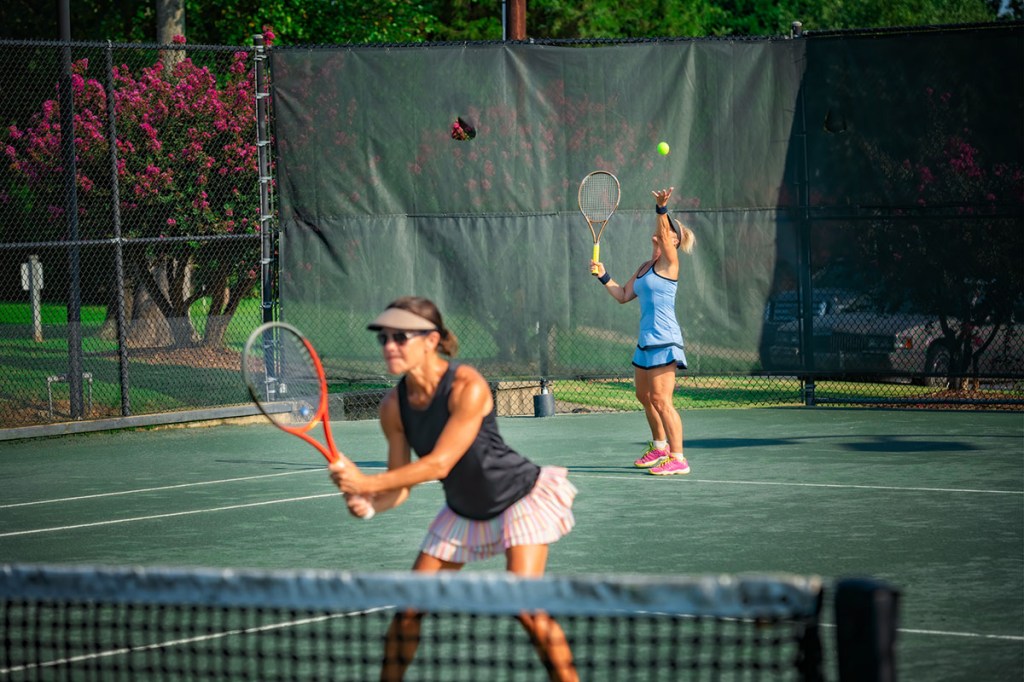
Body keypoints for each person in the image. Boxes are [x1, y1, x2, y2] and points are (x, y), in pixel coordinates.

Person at [328, 296, 579, 682]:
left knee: (526, 608)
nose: (390, 346)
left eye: (400, 337)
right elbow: (401, 486)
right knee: (409, 610)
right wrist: (369, 503)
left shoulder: (467, 384)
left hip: (517, 499)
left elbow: (439, 463)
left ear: (430, 340)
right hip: (462, 509)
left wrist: (367, 481)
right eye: (384, 339)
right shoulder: (393, 406)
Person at [590, 187, 696, 476]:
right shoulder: (644, 267)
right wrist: (603, 276)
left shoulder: (670, 264)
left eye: (666, 232)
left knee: (663, 401)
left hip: (664, 340)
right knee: (644, 397)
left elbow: (663, 230)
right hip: (646, 341)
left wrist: (662, 208)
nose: (660, 233)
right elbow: (624, 295)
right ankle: (660, 447)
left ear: (672, 240)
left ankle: (678, 457)